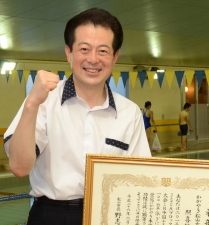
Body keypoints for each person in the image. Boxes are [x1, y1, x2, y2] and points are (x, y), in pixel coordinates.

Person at [3, 8, 151, 225]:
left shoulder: (130, 113)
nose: (93, 59)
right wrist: (31, 103)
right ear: (68, 53)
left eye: (103, 51)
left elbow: (142, 179)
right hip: (52, 215)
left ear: (115, 56)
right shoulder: (43, 103)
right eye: (84, 49)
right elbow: (19, 167)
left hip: (109, 214)